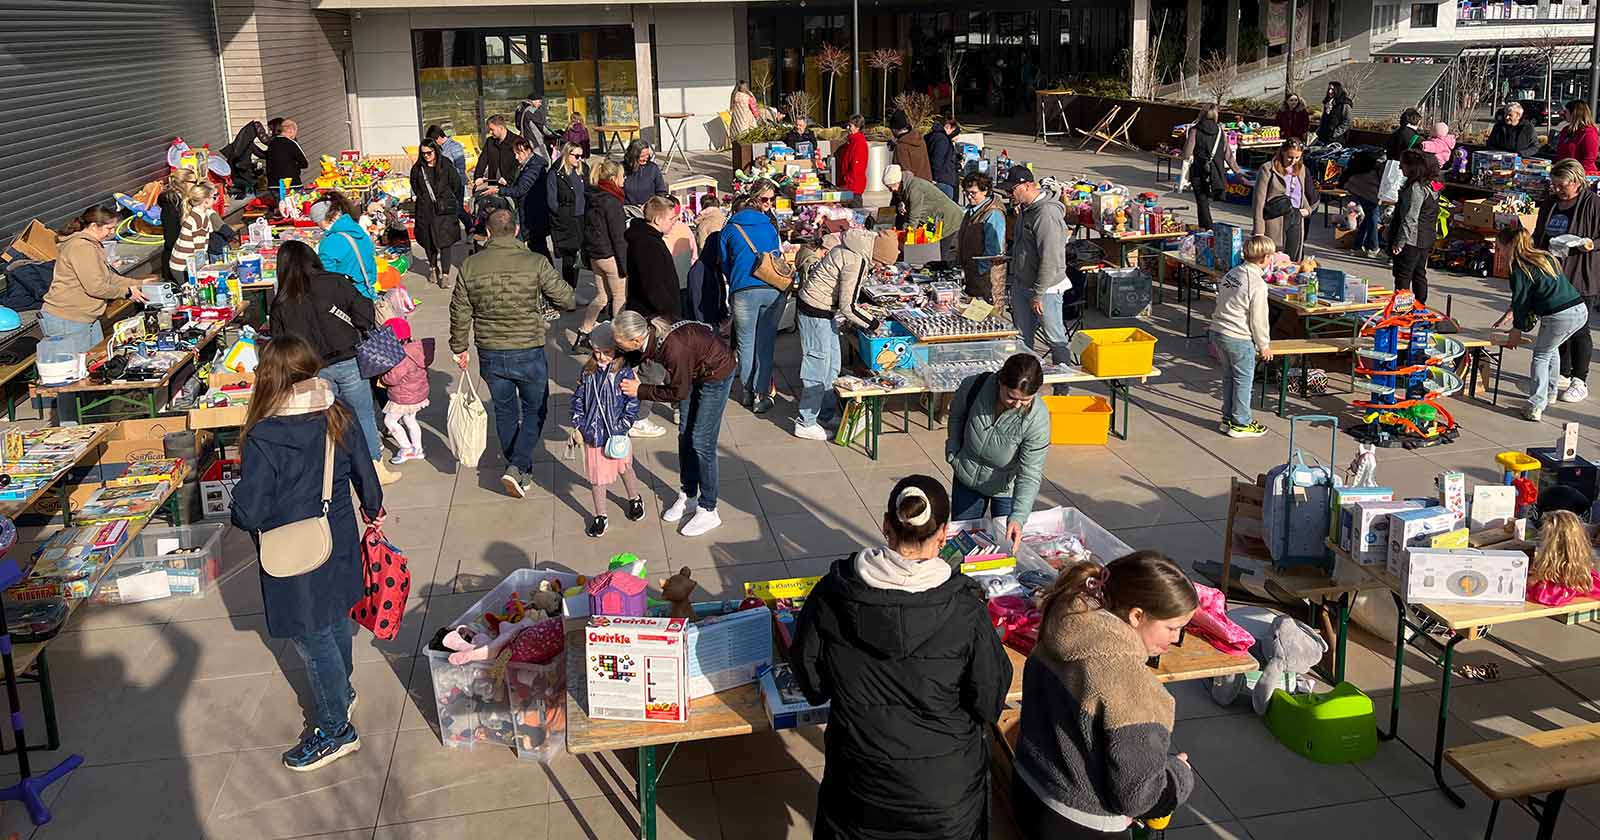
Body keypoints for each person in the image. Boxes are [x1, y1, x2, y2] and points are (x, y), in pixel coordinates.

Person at [789, 475, 1011, 840]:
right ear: (944, 534)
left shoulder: (833, 593)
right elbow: (988, 701)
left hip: (859, 791)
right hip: (945, 800)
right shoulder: (965, 609)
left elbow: (812, 684)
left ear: (885, 524)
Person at [231, 334, 384, 773]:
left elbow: (251, 509)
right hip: (338, 534)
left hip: (294, 549)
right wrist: (372, 508)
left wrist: (237, 508)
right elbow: (366, 475)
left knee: (312, 636)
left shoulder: (265, 435)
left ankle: (336, 730)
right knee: (335, 617)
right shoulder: (338, 412)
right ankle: (343, 692)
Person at [1012, 552, 1198, 839]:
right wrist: (1178, 776)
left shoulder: (1060, 627)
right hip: (1082, 825)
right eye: (1172, 628)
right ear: (1137, 616)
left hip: (1029, 793)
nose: (1176, 638)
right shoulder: (1133, 688)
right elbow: (1138, 798)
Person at [450, 209, 576, 497]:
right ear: (517, 230)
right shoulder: (535, 262)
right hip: (528, 348)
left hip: (490, 351)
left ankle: (518, 468)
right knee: (535, 409)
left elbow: (459, 310)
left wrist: (459, 347)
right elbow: (567, 298)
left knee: (504, 410)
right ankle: (518, 465)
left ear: (488, 232)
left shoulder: (470, 266)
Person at [268, 241, 398, 485]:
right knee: (363, 416)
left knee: (325, 421)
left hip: (312, 369)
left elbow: (280, 341)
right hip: (349, 359)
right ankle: (375, 468)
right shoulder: (336, 282)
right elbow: (364, 313)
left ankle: (335, 473)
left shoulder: (282, 301)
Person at [613, 310, 736, 538]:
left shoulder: (674, 348)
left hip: (716, 373)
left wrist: (640, 390)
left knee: (702, 442)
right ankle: (688, 495)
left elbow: (678, 393)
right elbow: (638, 358)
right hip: (693, 370)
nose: (618, 348)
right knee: (684, 434)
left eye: (620, 344)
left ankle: (709, 508)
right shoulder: (648, 333)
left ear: (636, 340)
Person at [944, 353, 1050, 550]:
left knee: (1005, 546)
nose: (1017, 405)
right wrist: (953, 451)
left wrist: (1018, 517)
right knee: (963, 544)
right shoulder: (974, 386)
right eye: (1011, 397)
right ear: (1000, 380)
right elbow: (956, 416)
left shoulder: (1038, 419)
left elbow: (1030, 474)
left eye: (1025, 400)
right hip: (966, 476)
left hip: (1005, 488)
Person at [1495, 226, 1590, 421]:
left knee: (1541, 356)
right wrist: (1511, 313)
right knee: (1550, 349)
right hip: (1579, 309)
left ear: (1508, 246)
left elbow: (1521, 301)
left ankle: (1535, 405)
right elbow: (1535, 291)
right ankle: (1550, 392)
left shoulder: (1519, 267)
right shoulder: (1543, 257)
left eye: (1499, 247)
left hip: (1559, 315)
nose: (1498, 251)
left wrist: (1516, 330)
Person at [795, 228, 878, 439]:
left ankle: (825, 414)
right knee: (818, 366)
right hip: (815, 311)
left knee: (832, 364)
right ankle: (806, 422)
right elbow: (848, 307)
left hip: (822, 310)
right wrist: (873, 323)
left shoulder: (849, 247)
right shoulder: (856, 260)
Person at [570, 322, 646, 537]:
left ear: (617, 350)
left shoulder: (624, 373)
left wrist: (622, 427)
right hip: (593, 435)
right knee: (596, 478)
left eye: (606, 352)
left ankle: (634, 498)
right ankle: (600, 515)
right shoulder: (588, 371)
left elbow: (632, 403)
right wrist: (579, 423)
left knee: (625, 468)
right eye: (596, 352)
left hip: (616, 434)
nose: (601, 357)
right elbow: (578, 399)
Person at [1534, 158, 1599, 403]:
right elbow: (1540, 234)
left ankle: (1580, 380)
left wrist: (1590, 244)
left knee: (1580, 329)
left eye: (1563, 185)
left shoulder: (1593, 204)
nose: (1558, 189)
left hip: (1582, 274)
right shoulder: (1551, 203)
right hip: (1554, 274)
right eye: (1555, 185)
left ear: (1577, 181)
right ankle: (1563, 371)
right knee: (1556, 325)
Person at [42, 205, 149, 354]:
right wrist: (127, 292)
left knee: (96, 359)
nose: (112, 232)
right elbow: (95, 287)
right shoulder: (81, 247)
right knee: (79, 364)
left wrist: (138, 283)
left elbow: (108, 277)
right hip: (68, 318)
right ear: (93, 226)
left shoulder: (92, 244)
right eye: (109, 228)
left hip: (86, 318)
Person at [1000, 168, 1071, 379]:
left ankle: (1062, 387)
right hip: (1023, 284)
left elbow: (1050, 259)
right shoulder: (1025, 208)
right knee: (1022, 339)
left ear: (1028, 186)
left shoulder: (1046, 214)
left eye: (1012, 190)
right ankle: (1025, 384)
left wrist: (1038, 293)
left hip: (1045, 289)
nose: (1008, 195)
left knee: (1055, 339)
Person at [720, 179, 784, 413]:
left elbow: (724, 263)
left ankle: (747, 392)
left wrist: (736, 279)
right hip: (771, 288)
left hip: (742, 291)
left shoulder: (729, 229)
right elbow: (776, 256)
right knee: (765, 345)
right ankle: (761, 395)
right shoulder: (769, 226)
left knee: (745, 344)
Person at [1211, 234, 1276, 439]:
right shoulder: (1257, 284)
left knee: (1229, 376)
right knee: (1243, 380)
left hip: (1219, 330)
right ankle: (1241, 422)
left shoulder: (1233, 272)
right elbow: (1259, 319)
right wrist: (1264, 345)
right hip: (1238, 336)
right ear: (1265, 258)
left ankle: (1228, 417)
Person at [576, 159, 630, 349]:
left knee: (601, 297)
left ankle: (584, 331)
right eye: (622, 176)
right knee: (620, 297)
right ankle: (617, 340)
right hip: (610, 256)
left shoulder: (593, 196)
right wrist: (625, 266)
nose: (624, 180)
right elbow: (618, 237)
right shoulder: (612, 201)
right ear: (613, 179)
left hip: (595, 256)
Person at [480, 137, 552, 257]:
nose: (516, 157)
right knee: (534, 245)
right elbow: (518, 184)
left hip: (533, 213)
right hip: (528, 211)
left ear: (526, 151)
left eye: (518, 153)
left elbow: (520, 190)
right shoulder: (527, 165)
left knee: (535, 246)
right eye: (515, 154)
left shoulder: (534, 167)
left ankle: (539, 266)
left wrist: (498, 190)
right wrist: (502, 184)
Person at [1181, 105, 1246, 229]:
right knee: (1207, 201)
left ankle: (1207, 227)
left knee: (1202, 201)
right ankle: (1207, 227)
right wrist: (1238, 173)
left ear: (1202, 114)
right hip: (1216, 171)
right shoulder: (1220, 131)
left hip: (1199, 170)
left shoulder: (1195, 130)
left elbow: (1186, 154)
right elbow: (1228, 155)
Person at [1251, 138, 1317, 261]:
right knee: (1274, 259)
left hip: (1296, 217)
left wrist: (1308, 209)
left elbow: (1300, 192)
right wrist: (1258, 231)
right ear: (1282, 152)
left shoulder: (1301, 169)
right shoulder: (1267, 169)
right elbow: (1258, 202)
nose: (1293, 161)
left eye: (1297, 157)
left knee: (1292, 259)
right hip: (1275, 219)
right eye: (1290, 157)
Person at [1388, 149, 1440, 304]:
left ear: (1413, 167)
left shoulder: (1416, 188)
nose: (1400, 167)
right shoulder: (1432, 185)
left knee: (1403, 276)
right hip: (1426, 237)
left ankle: (1403, 308)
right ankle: (1420, 306)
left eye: (1403, 164)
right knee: (1419, 273)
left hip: (1412, 240)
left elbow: (1410, 217)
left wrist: (1400, 242)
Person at [883, 164, 964, 263]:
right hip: (935, 220)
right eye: (888, 187)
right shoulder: (905, 187)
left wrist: (903, 235)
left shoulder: (914, 188)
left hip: (949, 220)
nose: (891, 190)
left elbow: (914, 217)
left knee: (939, 256)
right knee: (932, 255)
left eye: (892, 186)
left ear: (899, 181)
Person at [410, 140, 464, 286]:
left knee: (445, 241)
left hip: (444, 210)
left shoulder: (445, 164)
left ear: (435, 151)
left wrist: (446, 197)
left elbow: (456, 183)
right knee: (428, 241)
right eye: (423, 153)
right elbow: (415, 186)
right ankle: (433, 268)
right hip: (425, 210)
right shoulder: (418, 168)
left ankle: (445, 274)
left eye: (429, 153)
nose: (426, 156)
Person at [624, 196, 683, 328]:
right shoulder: (648, 244)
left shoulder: (649, 239)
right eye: (671, 219)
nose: (674, 222)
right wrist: (669, 314)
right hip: (652, 316)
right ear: (658, 220)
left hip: (652, 312)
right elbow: (653, 285)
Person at [378, 318, 430, 465]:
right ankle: (418, 449)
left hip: (403, 397)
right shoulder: (416, 350)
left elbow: (391, 379)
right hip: (417, 394)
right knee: (410, 420)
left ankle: (406, 448)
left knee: (390, 421)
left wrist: (382, 376)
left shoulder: (401, 358)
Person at [311, 192, 379, 301]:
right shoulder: (357, 229)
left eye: (317, 222)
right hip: (368, 291)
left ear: (324, 219)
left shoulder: (331, 242)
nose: (318, 226)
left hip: (349, 299)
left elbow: (327, 278)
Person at [957, 173, 1008, 313]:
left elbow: (994, 250)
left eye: (973, 193)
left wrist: (980, 270)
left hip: (987, 278)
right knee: (971, 315)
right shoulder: (972, 210)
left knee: (988, 315)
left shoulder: (993, 213)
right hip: (972, 274)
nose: (969, 196)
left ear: (985, 191)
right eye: (966, 193)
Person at [547, 141, 589, 292]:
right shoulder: (556, 173)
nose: (580, 159)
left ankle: (574, 289)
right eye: (576, 156)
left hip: (583, 219)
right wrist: (561, 215)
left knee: (583, 255)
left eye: (581, 156)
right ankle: (570, 291)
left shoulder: (584, 170)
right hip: (567, 219)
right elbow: (552, 201)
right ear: (567, 154)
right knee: (569, 257)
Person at [165, 179, 219, 282]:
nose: (215, 200)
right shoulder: (200, 220)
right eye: (214, 197)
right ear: (206, 201)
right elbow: (199, 250)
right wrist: (204, 271)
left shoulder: (194, 214)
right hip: (184, 267)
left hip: (178, 263)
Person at [1339, 146, 1386, 259]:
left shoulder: (1379, 159)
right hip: (1368, 190)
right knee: (1373, 217)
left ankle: (1357, 247)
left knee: (1369, 216)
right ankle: (1373, 248)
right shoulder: (1385, 163)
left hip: (1357, 186)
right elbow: (1385, 180)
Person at [689, 194, 729, 325]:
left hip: (709, 266)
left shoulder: (703, 225)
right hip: (724, 264)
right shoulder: (726, 221)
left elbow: (702, 248)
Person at [425, 124, 473, 232]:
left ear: (438, 138)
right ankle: (464, 229)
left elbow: (460, 167)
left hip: (456, 183)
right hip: (443, 184)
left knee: (457, 208)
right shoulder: (439, 148)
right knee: (449, 209)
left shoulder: (454, 147)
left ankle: (470, 227)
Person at [158, 168, 199, 284]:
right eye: (194, 182)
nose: (196, 186)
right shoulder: (171, 206)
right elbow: (171, 238)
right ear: (183, 183)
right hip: (176, 260)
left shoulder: (186, 202)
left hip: (188, 257)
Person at [472, 114, 520, 188]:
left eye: (492, 129)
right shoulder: (490, 141)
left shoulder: (516, 141)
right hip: (493, 183)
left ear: (501, 128)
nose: (490, 132)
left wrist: (508, 179)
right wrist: (478, 176)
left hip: (510, 183)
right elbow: (483, 160)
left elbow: (519, 164)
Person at [1555, 99, 1600, 175]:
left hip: (1581, 174)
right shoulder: (1566, 130)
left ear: (1574, 114)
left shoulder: (1589, 132)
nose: (1563, 114)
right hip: (1564, 172)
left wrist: (1576, 174)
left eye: (1566, 112)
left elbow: (1589, 158)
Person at [889, 109, 933, 182]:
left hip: (913, 187)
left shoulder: (901, 147)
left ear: (894, 129)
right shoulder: (920, 140)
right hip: (926, 184)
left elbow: (905, 174)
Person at [622, 139, 669, 206]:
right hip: (628, 208)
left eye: (647, 155)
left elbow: (661, 192)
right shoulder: (622, 168)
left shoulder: (653, 169)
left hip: (649, 208)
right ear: (633, 156)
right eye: (642, 156)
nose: (645, 158)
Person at [264, 118, 309, 188]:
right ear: (291, 130)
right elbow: (304, 163)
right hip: (292, 184)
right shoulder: (292, 143)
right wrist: (294, 166)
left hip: (273, 185)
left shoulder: (272, 144)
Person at [926, 117, 961, 200]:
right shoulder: (942, 139)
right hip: (943, 179)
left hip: (941, 178)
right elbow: (937, 160)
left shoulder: (935, 136)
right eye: (954, 131)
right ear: (948, 127)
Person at [836, 114, 869, 197]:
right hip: (848, 185)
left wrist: (847, 179)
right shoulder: (851, 141)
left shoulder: (859, 143)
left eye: (850, 126)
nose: (848, 128)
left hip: (853, 187)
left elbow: (857, 167)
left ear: (857, 127)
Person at [514, 95, 554, 163]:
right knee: (545, 161)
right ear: (533, 101)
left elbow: (517, 126)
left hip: (525, 142)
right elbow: (542, 127)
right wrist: (554, 135)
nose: (540, 104)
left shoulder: (520, 109)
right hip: (535, 142)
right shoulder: (532, 110)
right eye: (539, 102)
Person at [1315, 81, 1352, 146]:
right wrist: (1318, 130)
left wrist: (1335, 133)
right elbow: (1324, 119)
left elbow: (1347, 121)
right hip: (1323, 137)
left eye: (1332, 89)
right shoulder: (1327, 103)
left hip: (1337, 139)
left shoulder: (1344, 104)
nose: (1330, 91)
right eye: (1329, 89)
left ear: (1337, 90)